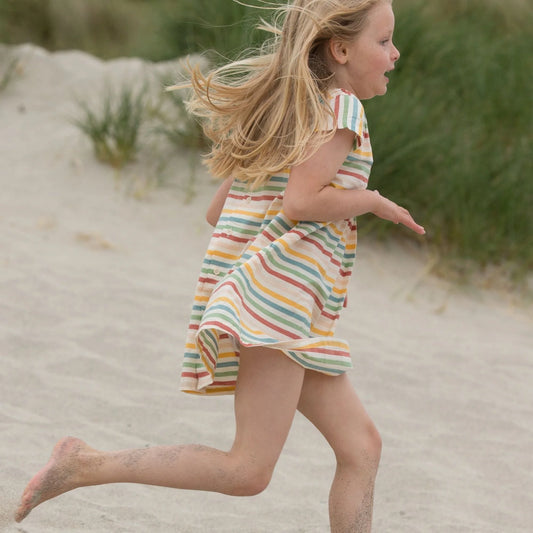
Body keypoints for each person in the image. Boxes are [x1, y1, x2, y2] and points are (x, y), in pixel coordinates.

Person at [15, 0, 424, 531]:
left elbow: (218, 213)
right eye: (384, 41)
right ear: (341, 49)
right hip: (277, 310)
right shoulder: (341, 110)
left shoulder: (291, 111)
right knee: (248, 470)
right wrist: (371, 201)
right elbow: (301, 203)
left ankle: (84, 463)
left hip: (280, 309)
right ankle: (84, 465)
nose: (395, 53)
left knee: (361, 446)